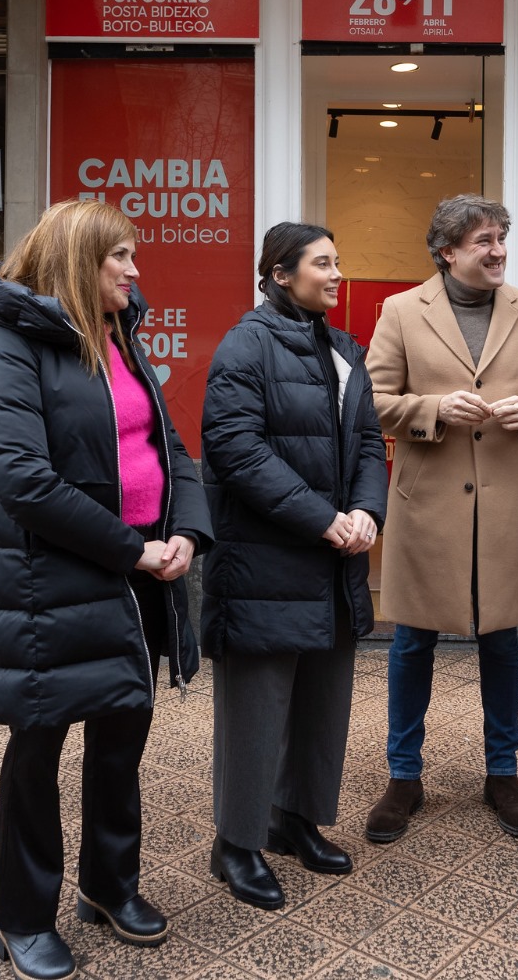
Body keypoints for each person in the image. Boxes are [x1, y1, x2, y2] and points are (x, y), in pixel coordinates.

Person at [0, 198, 212, 980]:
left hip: (138, 573)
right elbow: (23, 481)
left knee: (121, 740)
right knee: (37, 750)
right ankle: (22, 917)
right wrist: (131, 550)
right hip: (52, 580)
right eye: (122, 258)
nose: (136, 272)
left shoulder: (120, 336)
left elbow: (170, 447)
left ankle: (110, 888)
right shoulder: (11, 343)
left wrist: (187, 533)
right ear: (80, 261)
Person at [362, 194, 518, 843]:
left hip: (504, 503)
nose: (498, 250)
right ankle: (404, 776)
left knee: (501, 640)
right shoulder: (401, 311)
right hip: (427, 508)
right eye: (484, 240)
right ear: (447, 251)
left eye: (501, 238)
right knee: (411, 642)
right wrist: (431, 409)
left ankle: (503, 774)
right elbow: (372, 401)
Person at [200, 222, 388, 911]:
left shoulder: (342, 349)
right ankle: (236, 846)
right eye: (323, 264)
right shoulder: (244, 345)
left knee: (321, 704)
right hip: (265, 565)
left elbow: (370, 440)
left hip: (334, 563)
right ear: (281, 274)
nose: (337, 275)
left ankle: (294, 821)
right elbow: (235, 450)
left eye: (339, 261)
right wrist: (323, 518)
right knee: (255, 710)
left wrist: (369, 509)